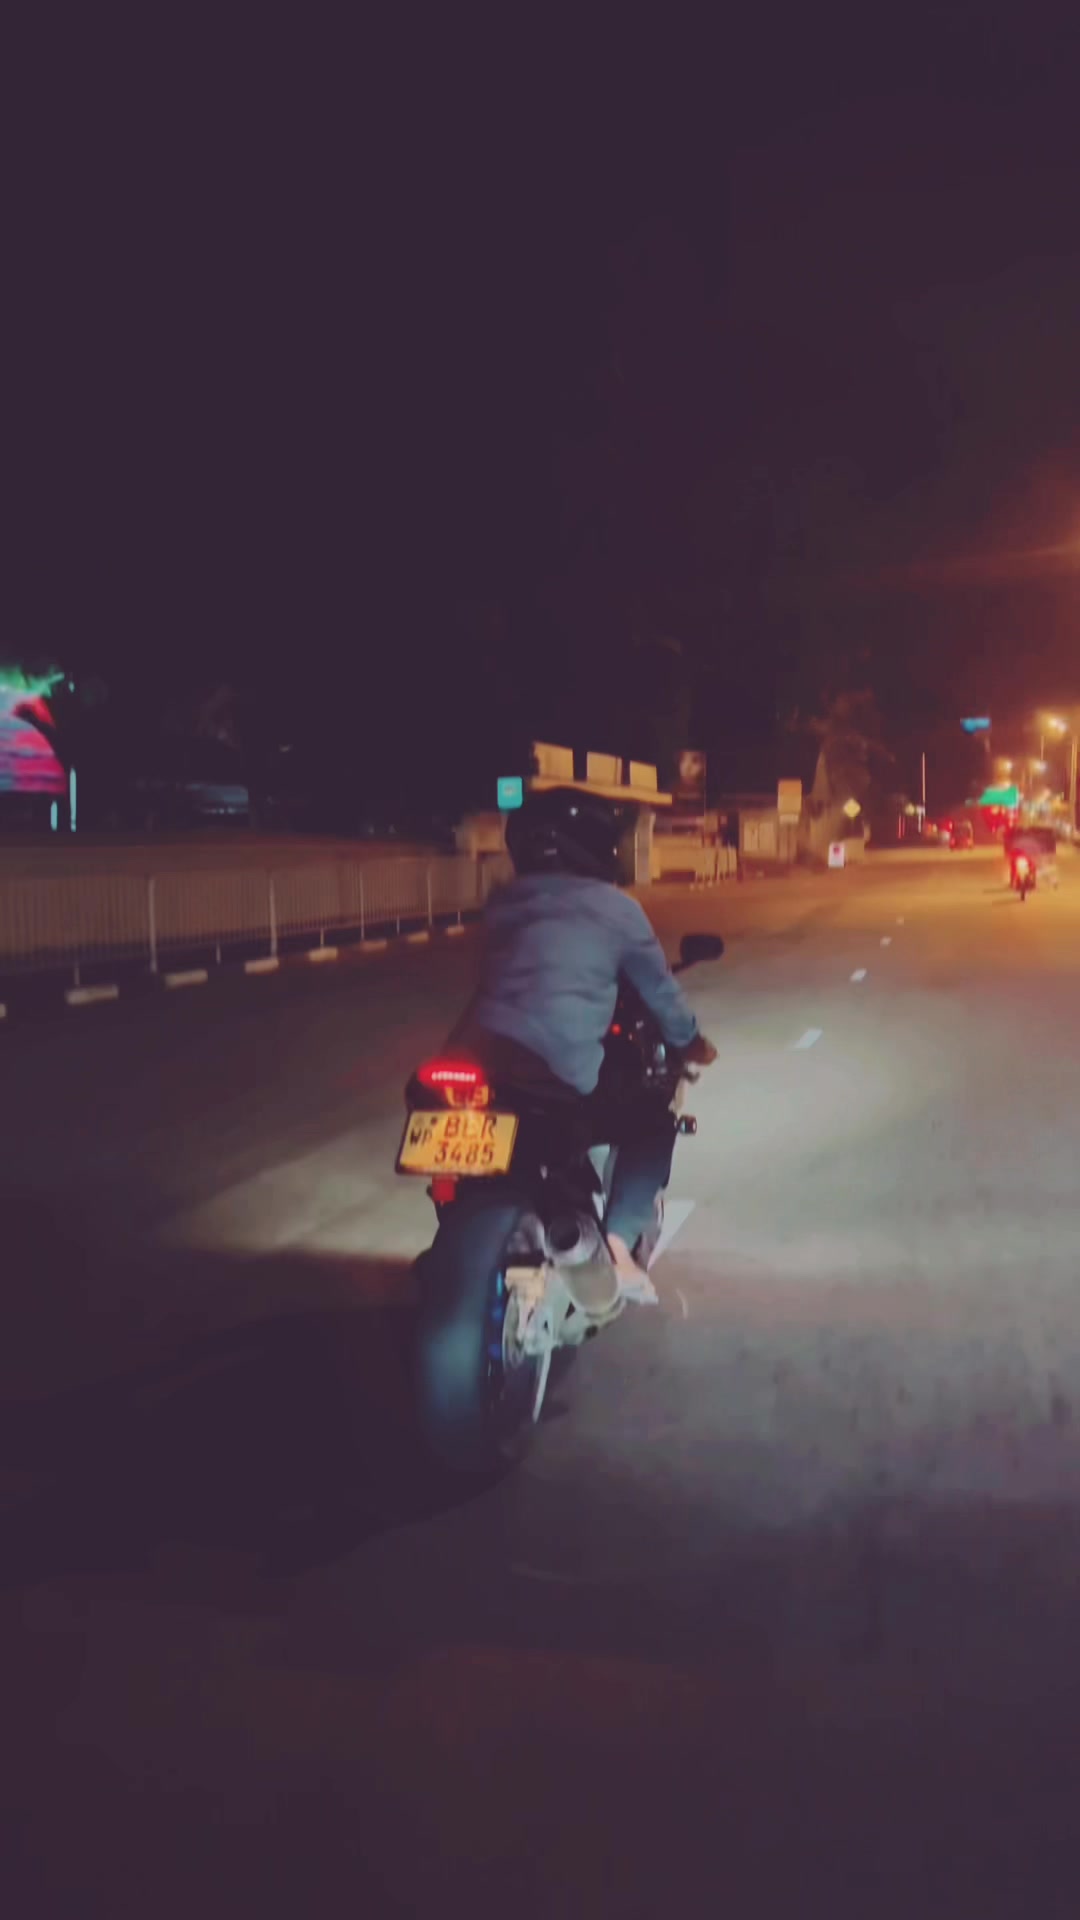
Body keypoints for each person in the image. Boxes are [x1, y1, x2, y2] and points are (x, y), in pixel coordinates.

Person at [446, 787, 718, 1302]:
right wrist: (691, 1042)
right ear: (596, 845)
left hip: (473, 1061)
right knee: (651, 1121)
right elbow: (660, 992)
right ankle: (617, 1250)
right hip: (552, 1072)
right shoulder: (616, 909)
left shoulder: (502, 903)